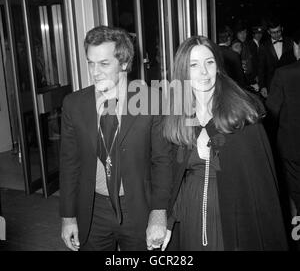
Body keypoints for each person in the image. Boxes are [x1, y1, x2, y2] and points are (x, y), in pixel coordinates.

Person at [161, 35, 288, 251]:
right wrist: (169, 221)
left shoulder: (241, 113)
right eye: (194, 65)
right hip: (192, 214)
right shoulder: (178, 115)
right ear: (183, 72)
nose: (203, 72)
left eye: (209, 62)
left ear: (218, 67)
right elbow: (175, 176)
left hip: (233, 215)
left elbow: (260, 187)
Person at [59, 25, 172, 251]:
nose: (94, 71)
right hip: (92, 209)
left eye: (103, 63)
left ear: (123, 63)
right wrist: (68, 216)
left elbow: (163, 161)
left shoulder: (151, 101)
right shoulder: (74, 104)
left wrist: (159, 214)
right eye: (90, 63)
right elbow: (69, 163)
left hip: (138, 207)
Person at [266, 30, 300, 216]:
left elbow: (271, 115)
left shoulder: (284, 74)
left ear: (296, 46)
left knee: (296, 193)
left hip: (292, 148)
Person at [258, 18, 295, 99]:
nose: (276, 35)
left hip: (289, 83)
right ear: (268, 32)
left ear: (282, 29)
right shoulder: (264, 46)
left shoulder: (290, 42)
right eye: (273, 33)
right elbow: (261, 68)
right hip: (271, 84)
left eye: (278, 31)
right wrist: (262, 86)